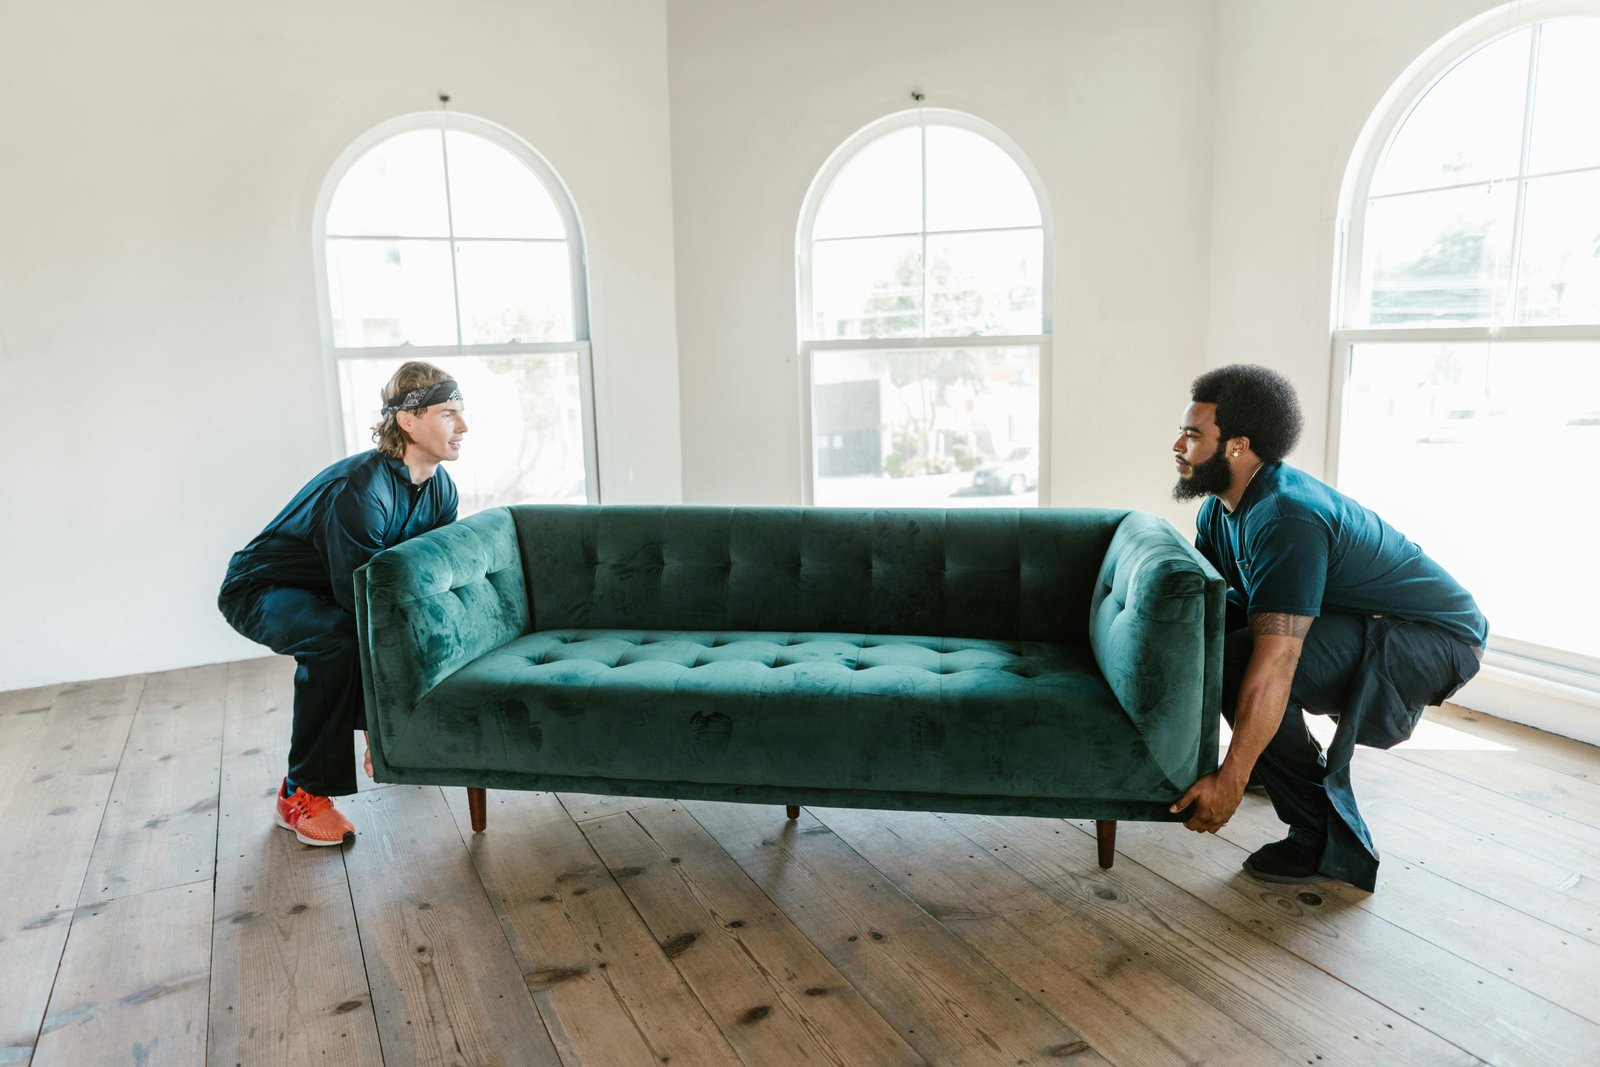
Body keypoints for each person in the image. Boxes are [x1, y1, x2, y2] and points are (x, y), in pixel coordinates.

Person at [1168, 364, 1485, 890]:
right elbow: (1212, 611)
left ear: (1238, 447)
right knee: (1225, 646)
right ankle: (1281, 767)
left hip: (1434, 639)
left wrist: (1232, 773)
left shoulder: (1285, 516)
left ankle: (1322, 837)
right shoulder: (1219, 511)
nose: (1178, 444)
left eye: (1194, 434)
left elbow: (1276, 663)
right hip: (1373, 619)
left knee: (1244, 664)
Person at [218, 361, 467, 846]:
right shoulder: (362, 489)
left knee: (380, 627)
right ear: (408, 420)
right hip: (260, 588)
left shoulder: (440, 489)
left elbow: (428, 583)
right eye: (448, 413)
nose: (463, 426)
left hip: (331, 591)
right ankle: (299, 795)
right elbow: (361, 604)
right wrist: (376, 717)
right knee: (335, 638)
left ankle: (391, 738)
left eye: (462, 413)